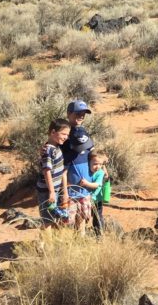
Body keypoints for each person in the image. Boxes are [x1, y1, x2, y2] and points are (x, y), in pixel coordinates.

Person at [63, 99, 96, 234]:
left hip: (85, 185)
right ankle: (66, 244)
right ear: (69, 114)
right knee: (66, 218)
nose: (81, 116)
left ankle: (80, 240)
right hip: (70, 184)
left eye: (83, 114)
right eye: (77, 113)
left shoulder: (83, 132)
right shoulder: (64, 134)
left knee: (82, 216)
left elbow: (92, 152)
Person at [36, 118, 71, 226]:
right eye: (63, 134)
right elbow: (47, 171)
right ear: (53, 132)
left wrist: (63, 192)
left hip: (54, 190)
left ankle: (47, 242)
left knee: (53, 219)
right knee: (47, 221)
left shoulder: (56, 148)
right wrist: (51, 192)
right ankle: (45, 243)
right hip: (46, 191)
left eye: (67, 135)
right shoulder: (49, 150)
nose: (66, 137)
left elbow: (62, 172)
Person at [88, 151, 109, 234]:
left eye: (100, 164)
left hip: (96, 200)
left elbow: (98, 186)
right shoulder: (87, 171)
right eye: (95, 164)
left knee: (97, 218)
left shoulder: (100, 173)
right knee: (85, 216)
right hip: (88, 199)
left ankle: (99, 234)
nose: (98, 167)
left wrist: (92, 197)